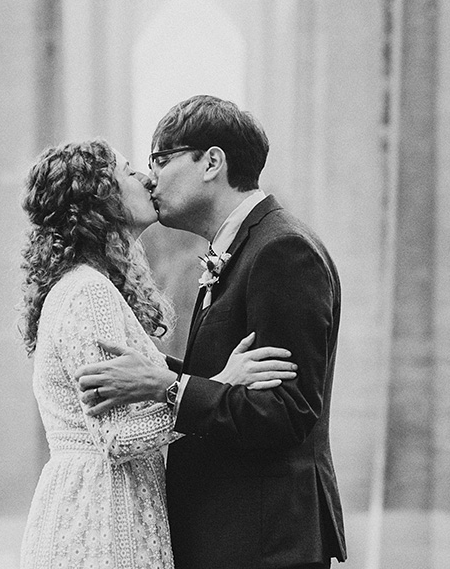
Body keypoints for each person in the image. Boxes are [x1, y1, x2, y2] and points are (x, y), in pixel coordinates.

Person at [77, 97, 347, 569]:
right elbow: (222, 377)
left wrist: (168, 388)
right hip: (233, 537)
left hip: (263, 544)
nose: (150, 177)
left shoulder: (282, 252)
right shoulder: (239, 250)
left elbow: (286, 411)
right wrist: (156, 371)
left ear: (212, 162)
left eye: (160, 159)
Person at [17, 139, 298, 569]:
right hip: (101, 520)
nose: (147, 177)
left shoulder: (83, 286)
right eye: (130, 172)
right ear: (100, 198)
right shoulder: (88, 292)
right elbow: (117, 438)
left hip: (104, 506)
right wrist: (220, 384)